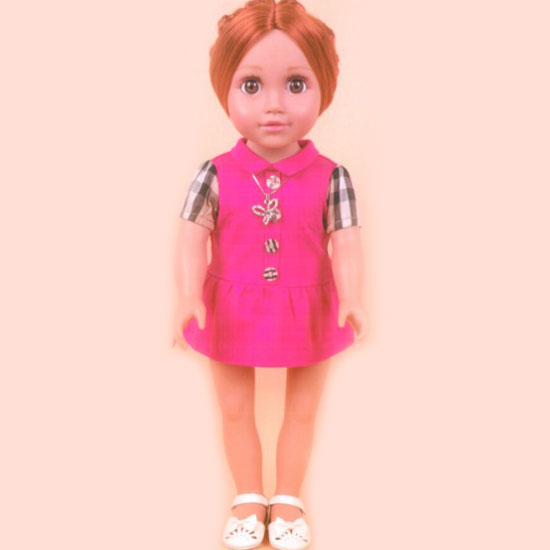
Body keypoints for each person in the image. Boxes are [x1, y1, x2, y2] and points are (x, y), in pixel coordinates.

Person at [172, 1, 367, 548]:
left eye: (296, 85)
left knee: (300, 411)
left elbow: (347, 241)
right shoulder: (213, 173)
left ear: (324, 88)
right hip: (230, 304)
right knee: (235, 408)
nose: (274, 105)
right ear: (225, 90)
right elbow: (191, 235)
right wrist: (188, 294)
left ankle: (287, 497)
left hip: (310, 304)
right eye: (252, 86)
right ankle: (248, 494)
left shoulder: (333, 176)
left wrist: (351, 296)